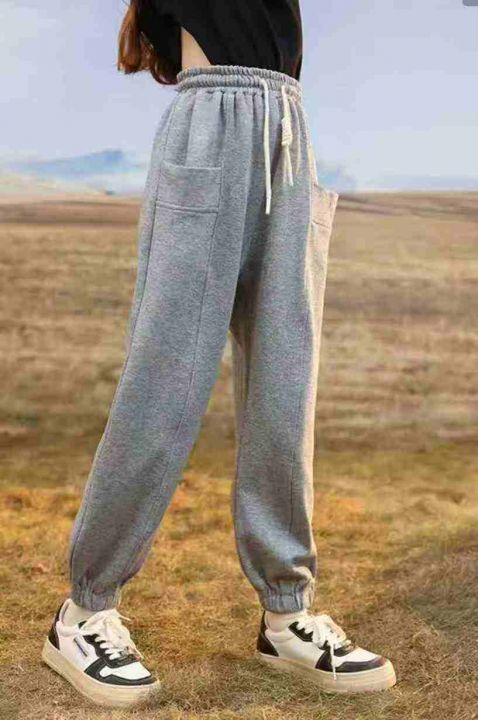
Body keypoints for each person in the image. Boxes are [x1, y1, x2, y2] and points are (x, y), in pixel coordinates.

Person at [41, 0, 396, 708]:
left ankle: (287, 614)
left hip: (288, 126)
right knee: (164, 383)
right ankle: (84, 611)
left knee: (284, 388)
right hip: (212, 122)